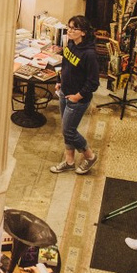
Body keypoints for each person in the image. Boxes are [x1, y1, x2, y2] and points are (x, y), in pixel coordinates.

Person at [49, 15, 100, 175]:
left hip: (77, 99)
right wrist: (60, 81)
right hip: (64, 92)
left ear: (83, 32)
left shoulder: (89, 55)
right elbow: (65, 64)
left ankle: (90, 156)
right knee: (66, 129)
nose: (69, 30)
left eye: (74, 28)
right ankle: (69, 161)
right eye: (69, 26)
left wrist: (78, 96)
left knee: (69, 131)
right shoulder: (71, 43)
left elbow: (93, 83)